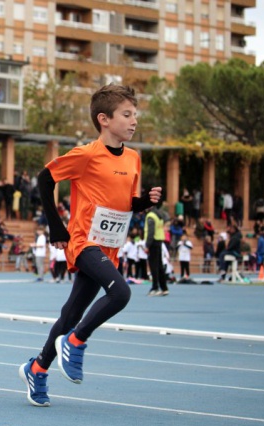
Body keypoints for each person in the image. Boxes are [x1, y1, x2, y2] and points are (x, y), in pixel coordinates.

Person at [18, 84, 162, 407]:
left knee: (70, 313)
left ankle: (37, 367)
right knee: (121, 293)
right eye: (127, 114)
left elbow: (126, 203)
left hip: (110, 246)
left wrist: (146, 202)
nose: (134, 121)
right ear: (104, 119)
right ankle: (76, 341)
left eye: (135, 115)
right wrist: (57, 225)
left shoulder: (134, 159)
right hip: (83, 241)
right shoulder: (86, 155)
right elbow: (45, 178)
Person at [145, 201, 170, 296]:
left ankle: (155, 287)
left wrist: (147, 245)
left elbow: (150, 232)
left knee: (153, 267)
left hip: (153, 242)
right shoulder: (159, 215)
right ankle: (164, 288)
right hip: (159, 241)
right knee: (159, 266)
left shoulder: (151, 216)